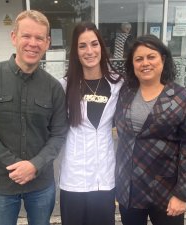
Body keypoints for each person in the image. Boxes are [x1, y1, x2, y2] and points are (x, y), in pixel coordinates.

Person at [0, 10, 68, 225]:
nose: (32, 43)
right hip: (0, 185)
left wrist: (34, 166)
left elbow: (59, 134)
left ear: (47, 43)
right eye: (26, 36)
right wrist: (16, 165)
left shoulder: (54, 88)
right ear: (14, 37)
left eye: (39, 38)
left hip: (41, 185)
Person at [114, 34, 186, 225]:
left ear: (163, 58)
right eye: (139, 58)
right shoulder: (125, 93)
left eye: (151, 56)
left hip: (166, 192)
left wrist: (183, 194)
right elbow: (124, 137)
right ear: (132, 64)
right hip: (130, 190)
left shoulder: (183, 98)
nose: (145, 63)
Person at [59, 22, 123, 225]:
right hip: (73, 179)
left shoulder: (118, 84)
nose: (89, 51)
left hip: (104, 178)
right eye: (82, 46)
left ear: (102, 48)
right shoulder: (65, 86)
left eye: (94, 44)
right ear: (75, 52)